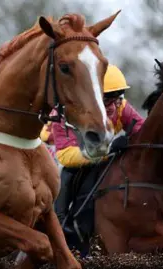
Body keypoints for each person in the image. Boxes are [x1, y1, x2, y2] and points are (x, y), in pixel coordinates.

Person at [52, 64, 145, 234]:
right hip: (55, 153)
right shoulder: (65, 113)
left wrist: (132, 141)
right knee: (64, 174)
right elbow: (65, 156)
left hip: (95, 151)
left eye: (118, 96)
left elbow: (142, 131)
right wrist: (108, 151)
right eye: (107, 98)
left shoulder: (120, 105)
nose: (114, 104)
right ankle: (60, 221)